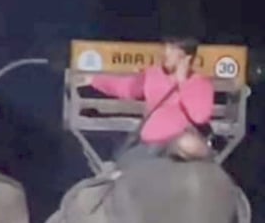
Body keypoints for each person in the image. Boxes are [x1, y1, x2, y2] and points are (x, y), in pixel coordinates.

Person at [78, 36, 214, 163]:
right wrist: (95, 80)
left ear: (186, 58)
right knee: (125, 160)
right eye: (165, 47)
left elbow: (200, 116)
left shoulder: (200, 84)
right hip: (151, 142)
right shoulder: (153, 74)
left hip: (181, 144)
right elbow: (127, 88)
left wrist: (183, 83)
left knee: (187, 144)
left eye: (173, 49)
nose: (166, 53)